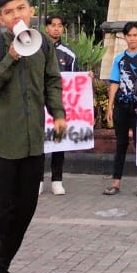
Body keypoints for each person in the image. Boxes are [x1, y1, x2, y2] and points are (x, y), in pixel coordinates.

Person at [0, 0, 65, 273]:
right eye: (10, 11)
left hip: (31, 143)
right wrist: (10, 59)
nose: (17, 15)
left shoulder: (44, 45)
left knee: (25, 210)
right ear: (1, 18)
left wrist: (58, 114)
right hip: (0, 142)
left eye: (22, 8)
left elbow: (52, 81)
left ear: (32, 11)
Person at [103, 21, 137, 196]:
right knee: (121, 144)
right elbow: (114, 83)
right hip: (121, 106)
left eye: (135, 35)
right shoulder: (119, 59)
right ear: (125, 37)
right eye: (129, 35)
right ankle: (116, 182)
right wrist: (110, 106)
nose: (132, 38)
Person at [44, 15, 77, 196]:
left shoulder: (69, 54)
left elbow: (75, 82)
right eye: (52, 25)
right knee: (38, 145)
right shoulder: (35, 49)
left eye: (59, 26)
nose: (56, 29)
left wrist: (85, 78)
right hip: (39, 105)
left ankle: (57, 180)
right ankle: (38, 181)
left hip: (59, 105)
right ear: (46, 28)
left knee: (59, 142)